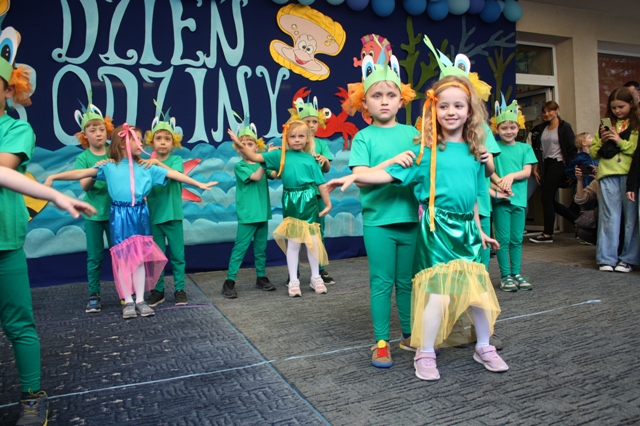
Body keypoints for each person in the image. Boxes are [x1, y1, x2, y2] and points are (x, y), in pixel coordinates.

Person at [328, 75, 506, 381]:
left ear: (469, 110)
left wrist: (480, 230)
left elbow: (475, 196)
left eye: (458, 105)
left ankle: (483, 346)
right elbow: (389, 175)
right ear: (433, 110)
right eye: (444, 106)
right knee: (436, 293)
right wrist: (353, 177)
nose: (451, 112)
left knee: (477, 291)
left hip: (466, 229)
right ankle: (423, 350)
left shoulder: (474, 152)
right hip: (437, 228)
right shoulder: (427, 151)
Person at [46, 124, 217, 318]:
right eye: (137, 141)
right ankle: (128, 300)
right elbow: (81, 174)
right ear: (122, 144)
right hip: (120, 215)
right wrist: (54, 176)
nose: (141, 144)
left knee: (139, 259)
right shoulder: (109, 166)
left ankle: (140, 300)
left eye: (141, 141)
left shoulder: (146, 166)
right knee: (123, 259)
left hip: (140, 214)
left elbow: (174, 175)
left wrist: (199, 184)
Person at [342, 54, 418, 368]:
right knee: (382, 282)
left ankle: (410, 335)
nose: (384, 101)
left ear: (401, 100)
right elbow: (360, 177)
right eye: (376, 96)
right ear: (364, 102)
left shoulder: (413, 133)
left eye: (390, 95)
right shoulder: (364, 137)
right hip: (378, 222)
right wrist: (391, 162)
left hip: (411, 220)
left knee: (408, 282)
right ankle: (382, 341)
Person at [0, 26, 50, 425]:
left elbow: (4, 168)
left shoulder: (17, 129)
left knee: (19, 324)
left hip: (5, 243)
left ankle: (33, 396)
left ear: (7, 90)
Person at [230, 120, 331, 297]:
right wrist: (238, 143)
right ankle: (294, 280)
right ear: (286, 139)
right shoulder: (280, 156)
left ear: (307, 139)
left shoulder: (311, 159)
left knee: (313, 241)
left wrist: (328, 203)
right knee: (294, 242)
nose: (297, 140)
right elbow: (254, 157)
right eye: (293, 136)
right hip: (291, 200)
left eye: (301, 136)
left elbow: (321, 184)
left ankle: (316, 277)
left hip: (308, 200)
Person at [222, 119, 278, 299]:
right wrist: (266, 160)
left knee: (261, 248)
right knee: (240, 248)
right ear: (239, 149)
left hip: (262, 214)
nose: (247, 146)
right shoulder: (240, 166)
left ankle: (261, 277)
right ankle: (229, 281)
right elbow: (255, 177)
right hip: (248, 215)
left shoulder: (262, 164)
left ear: (256, 146)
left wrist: (279, 158)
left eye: (250, 143)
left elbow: (276, 175)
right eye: (243, 144)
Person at [141, 108, 190, 307]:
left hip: (173, 215)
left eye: (167, 139)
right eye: (159, 138)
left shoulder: (176, 160)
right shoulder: (146, 164)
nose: (163, 142)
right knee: (156, 258)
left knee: (178, 256)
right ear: (152, 141)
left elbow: (175, 174)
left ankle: (179, 289)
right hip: (155, 217)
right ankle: (158, 290)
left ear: (173, 142)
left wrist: (156, 163)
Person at [489, 96, 537, 291]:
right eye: (504, 128)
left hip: (519, 200)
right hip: (501, 200)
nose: (508, 131)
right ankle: (505, 276)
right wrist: (500, 183)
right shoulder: (494, 148)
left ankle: (516, 273)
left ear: (519, 127)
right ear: (497, 129)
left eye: (512, 127)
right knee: (503, 240)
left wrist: (510, 176)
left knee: (517, 239)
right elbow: (489, 171)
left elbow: (527, 172)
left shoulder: (525, 148)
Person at [73, 95, 115, 313]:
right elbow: (85, 186)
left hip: (116, 214)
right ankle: (94, 295)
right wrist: (95, 171)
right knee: (95, 257)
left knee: (120, 254)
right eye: (92, 130)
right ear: (84, 135)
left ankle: (126, 293)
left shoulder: (114, 152)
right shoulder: (83, 158)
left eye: (101, 129)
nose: (98, 133)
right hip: (93, 216)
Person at [591, 87, 640, 272]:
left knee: (631, 219)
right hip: (608, 173)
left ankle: (628, 258)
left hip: (630, 174)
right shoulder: (605, 124)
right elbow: (593, 152)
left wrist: (620, 141)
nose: (617, 111)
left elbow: (636, 150)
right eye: (613, 108)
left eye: (621, 107)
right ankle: (606, 258)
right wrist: (603, 141)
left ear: (631, 105)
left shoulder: (636, 124)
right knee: (609, 217)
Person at [289, 96, 336, 285]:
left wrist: (324, 161)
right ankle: (294, 272)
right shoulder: (295, 145)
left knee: (317, 232)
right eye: (307, 121)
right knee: (296, 235)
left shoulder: (322, 145)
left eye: (314, 121)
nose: (311, 125)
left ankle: (320, 270)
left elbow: (326, 169)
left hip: (316, 195)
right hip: (298, 196)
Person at [529, 101, 578, 243]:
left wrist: (572, 171)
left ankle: (547, 234)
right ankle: (578, 221)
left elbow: (572, 150)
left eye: (550, 111)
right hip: (545, 165)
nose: (546, 114)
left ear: (557, 110)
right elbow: (537, 149)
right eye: (544, 111)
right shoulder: (541, 129)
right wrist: (536, 165)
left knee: (546, 198)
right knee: (548, 199)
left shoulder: (564, 127)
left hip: (558, 164)